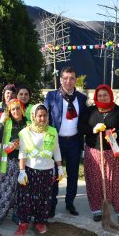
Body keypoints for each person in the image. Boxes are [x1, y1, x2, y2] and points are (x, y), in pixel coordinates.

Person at [79, 84, 119, 221]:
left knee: (117, 182)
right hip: (94, 151)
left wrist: (117, 134)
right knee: (95, 181)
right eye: (100, 95)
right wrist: (93, 130)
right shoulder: (90, 111)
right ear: (96, 96)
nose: (102, 97)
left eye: (105, 95)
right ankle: (96, 210)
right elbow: (81, 127)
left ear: (110, 95)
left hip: (113, 152)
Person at [14, 104, 65, 236]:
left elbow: (56, 150)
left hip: (47, 171)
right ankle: (23, 223)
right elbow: (22, 152)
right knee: (25, 198)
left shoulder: (52, 131)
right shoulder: (25, 132)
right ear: (33, 116)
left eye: (45, 115)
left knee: (44, 198)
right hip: (30, 170)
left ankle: (40, 222)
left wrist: (59, 167)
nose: (42, 118)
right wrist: (22, 171)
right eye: (39, 116)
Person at [44, 66, 88, 217]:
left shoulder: (82, 99)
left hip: (74, 142)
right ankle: (52, 205)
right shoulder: (51, 96)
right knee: (54, 174)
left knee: (73, 174)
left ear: (75, 80)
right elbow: (44, 118)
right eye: (65, 78)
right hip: (56, 142)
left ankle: (70, 202)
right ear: (60, 79)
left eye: (71, 78)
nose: (68, 81)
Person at [0, 98, 28, 226]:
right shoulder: (6, 122)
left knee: (20, 191)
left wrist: (22, 146)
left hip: (23, 162)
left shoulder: (28, 123)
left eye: (18, 108)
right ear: (9, 111)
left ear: (22, 109)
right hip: (7, 162)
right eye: (13, 109)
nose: (16, 111)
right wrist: (1, 122)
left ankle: (17, 214)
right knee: (4, 191)